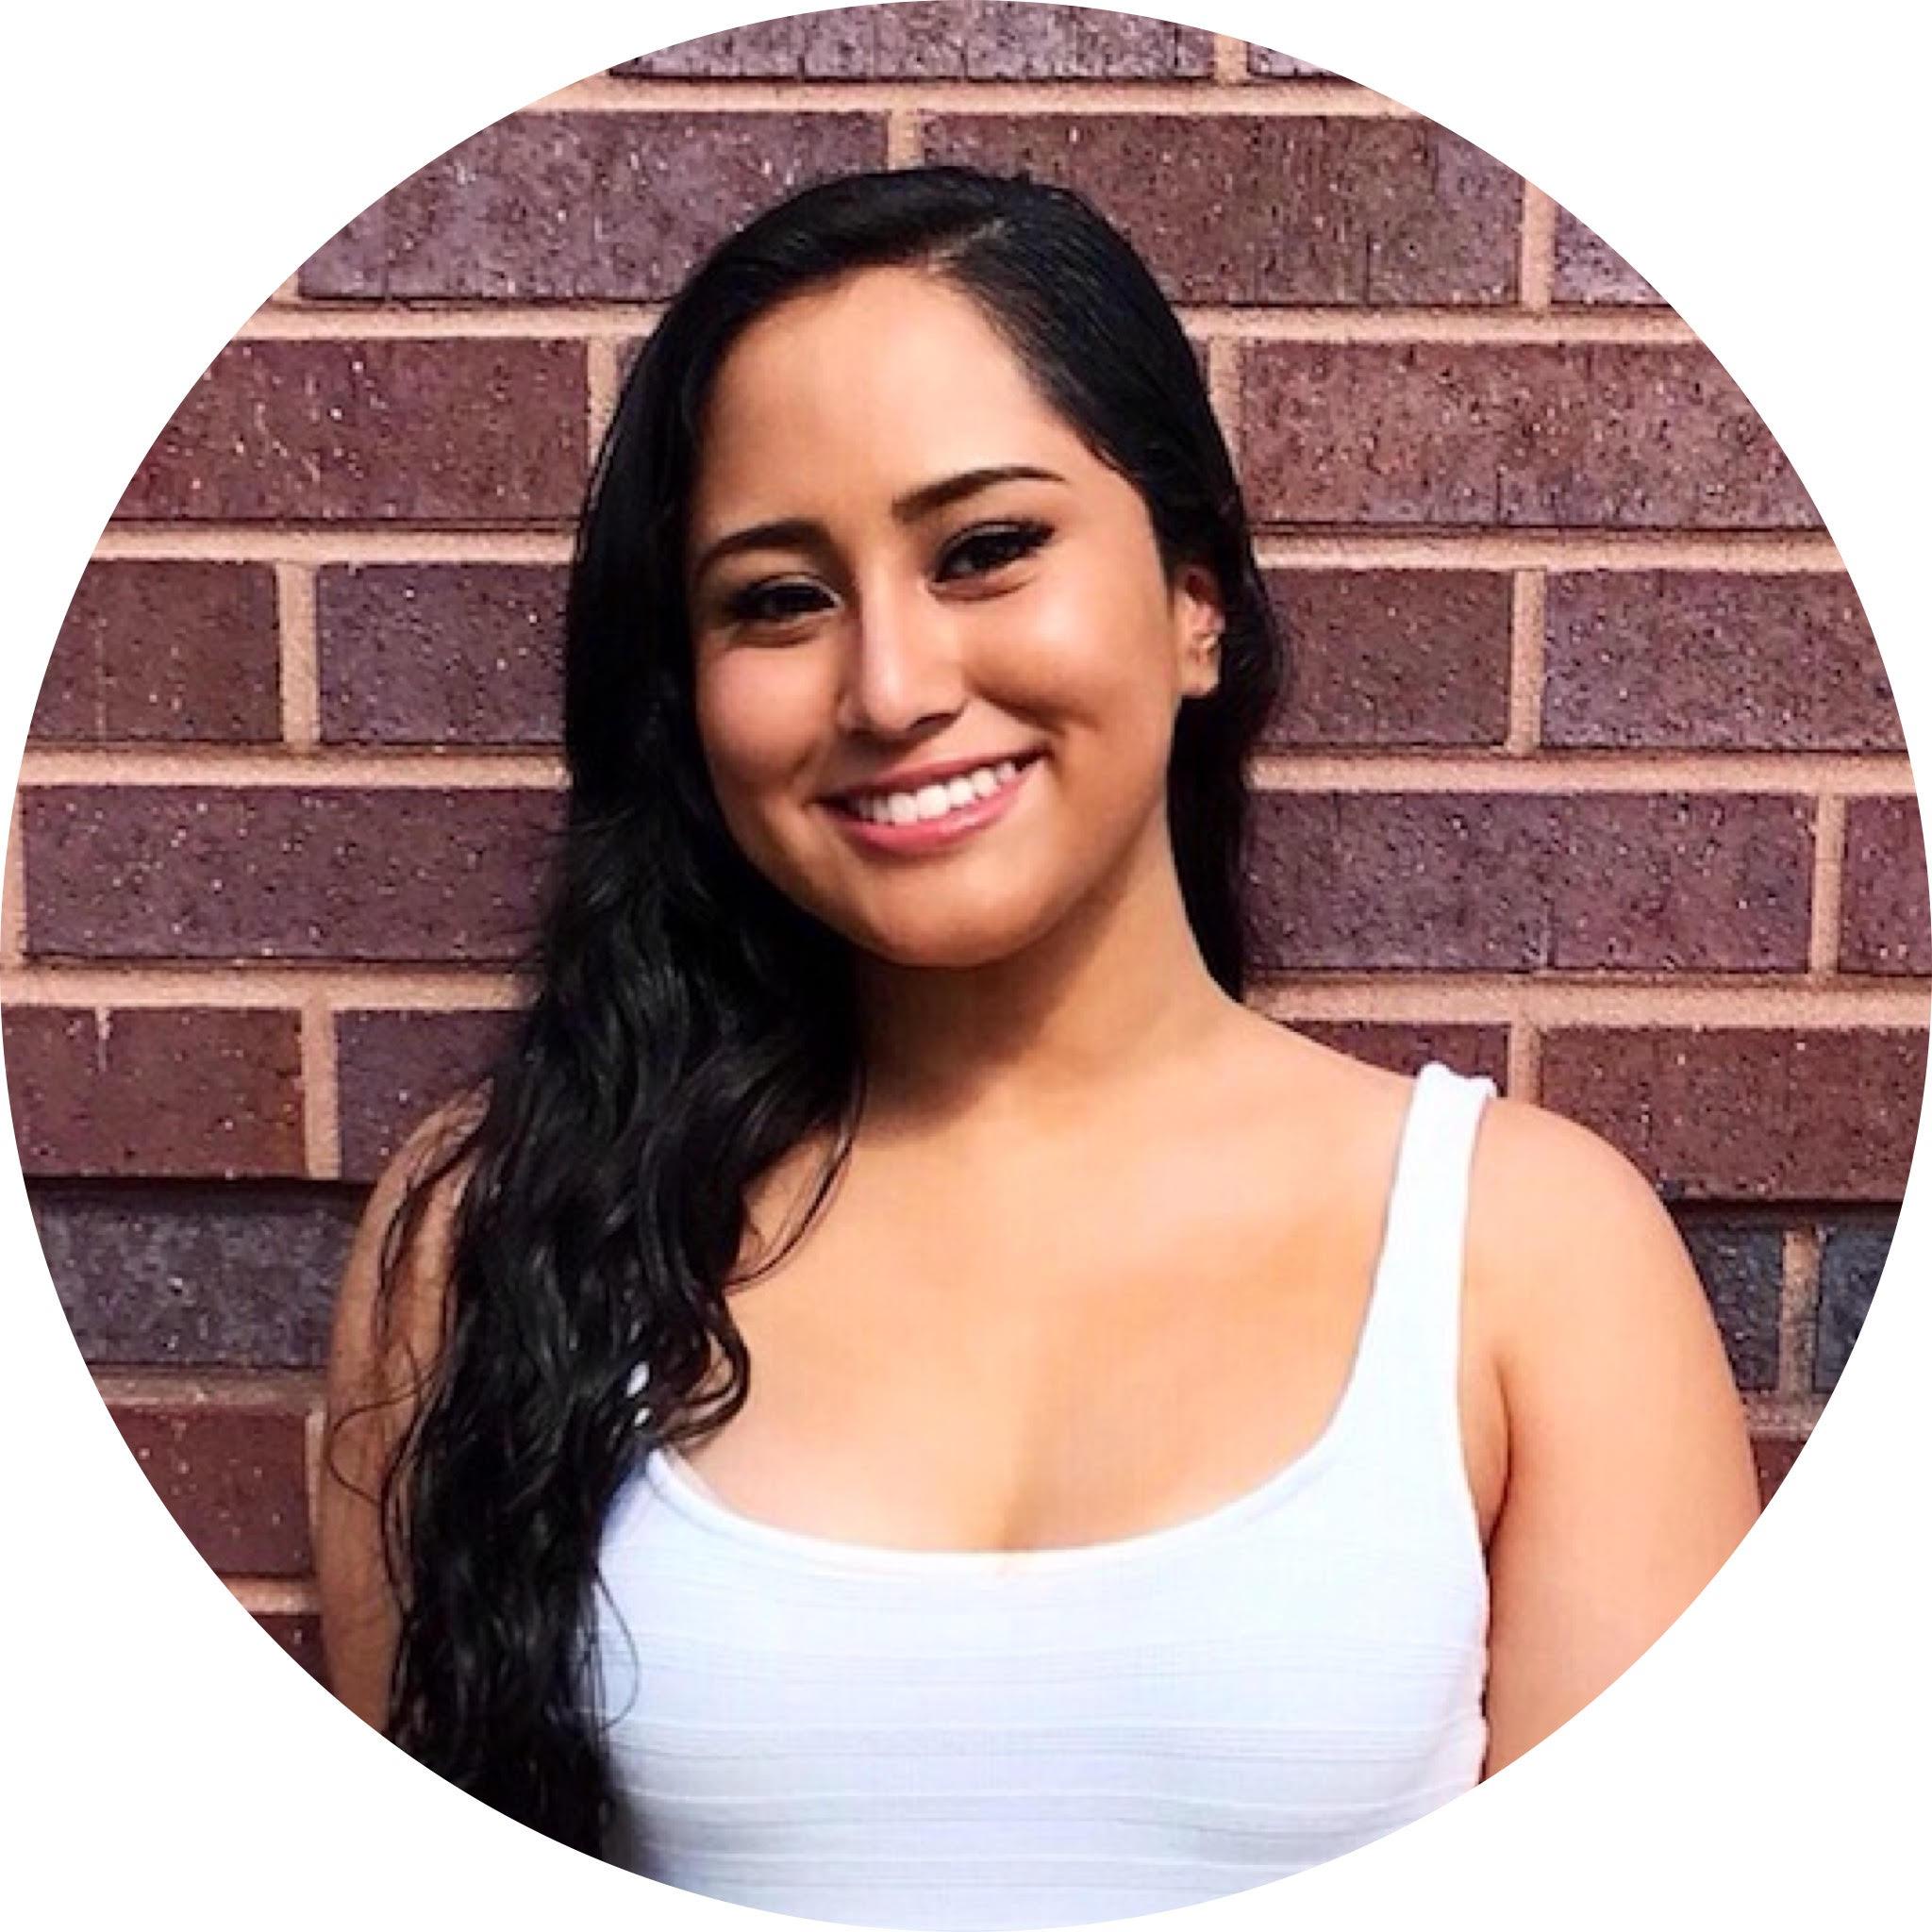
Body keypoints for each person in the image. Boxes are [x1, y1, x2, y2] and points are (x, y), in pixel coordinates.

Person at [318, 165, 1760, 1929]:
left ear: (1196, 598)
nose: (891, 686)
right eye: (778, 599)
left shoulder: (1532, 1253)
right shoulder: (499, 1233)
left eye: (987, 550)